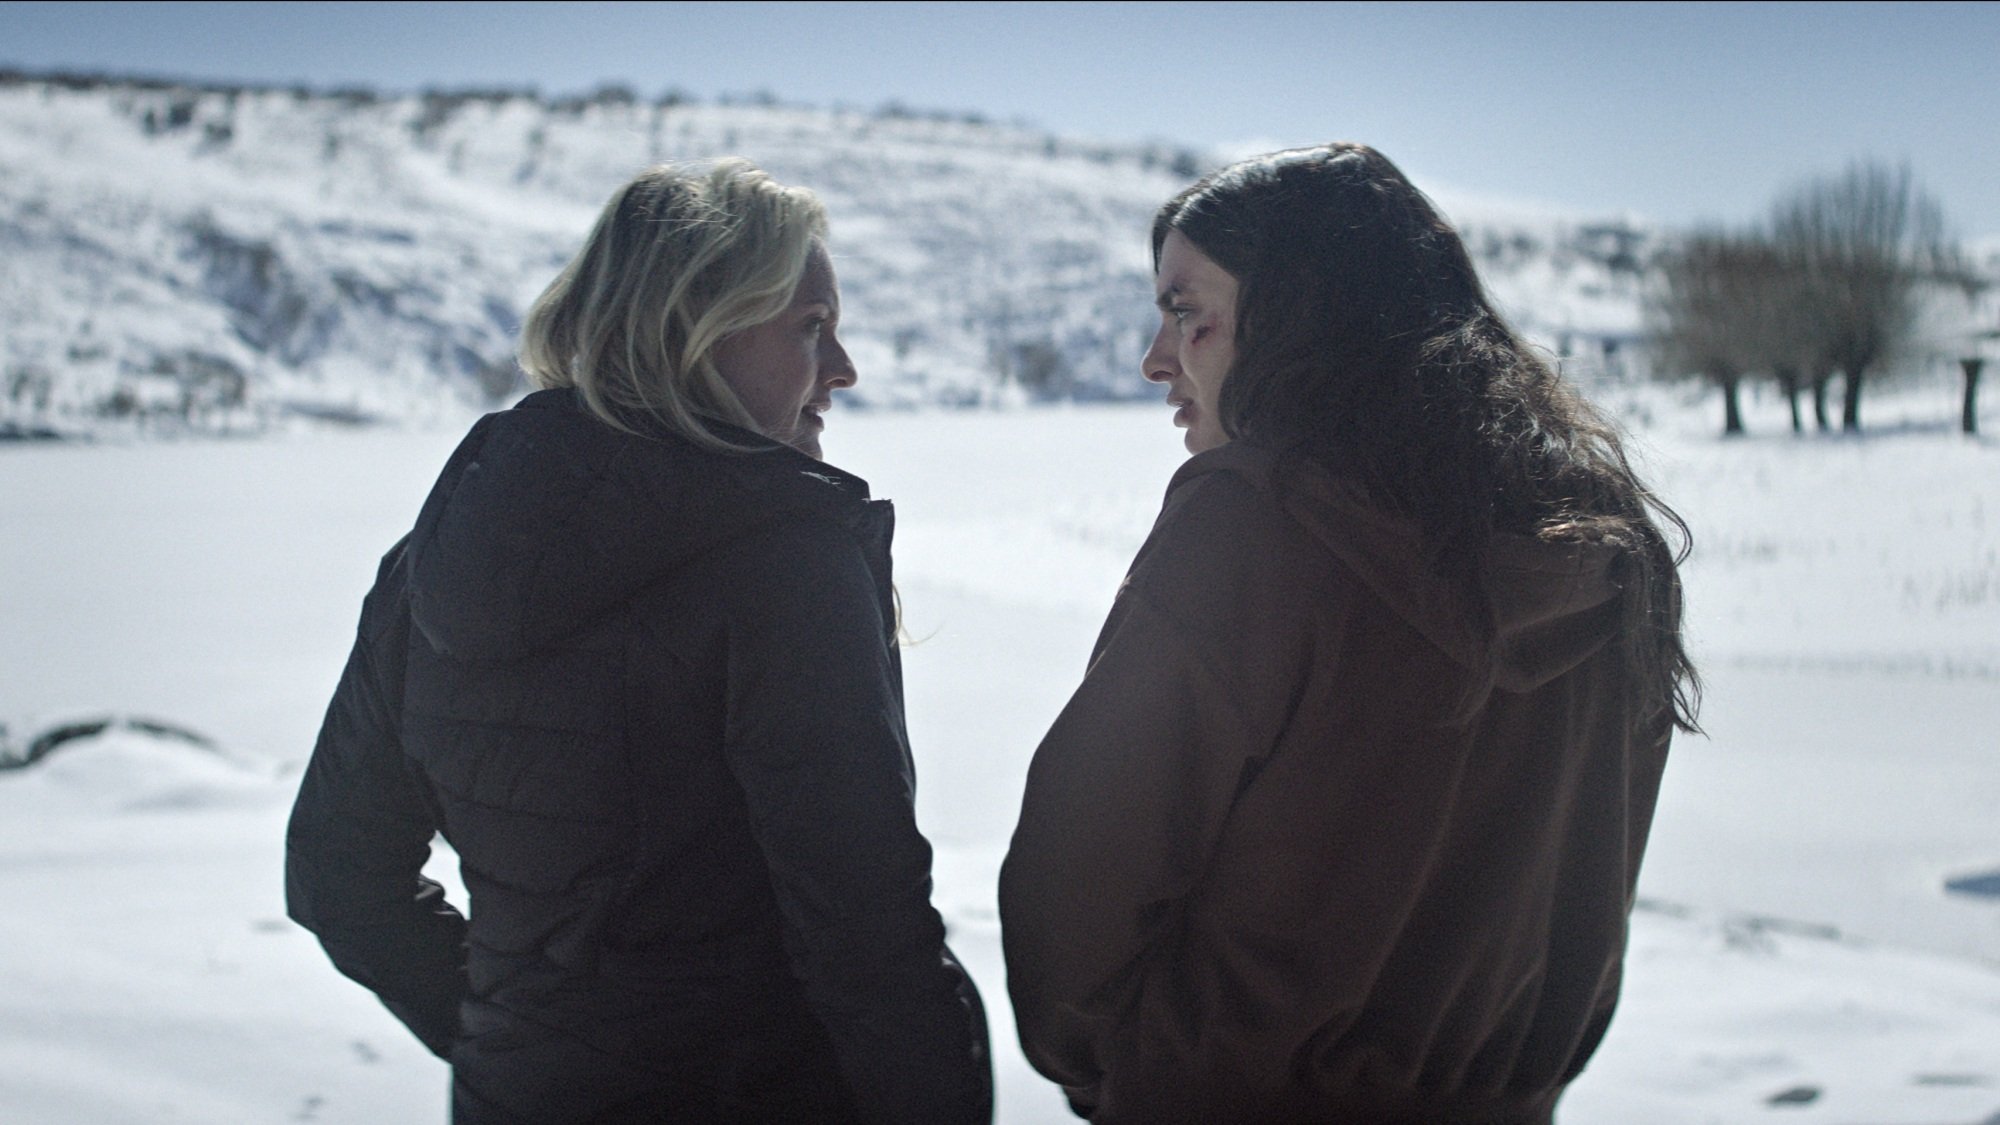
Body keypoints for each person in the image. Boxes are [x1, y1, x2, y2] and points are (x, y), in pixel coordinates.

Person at [999, 143, 1699, 1124]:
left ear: (1301, 313)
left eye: (1184, 311)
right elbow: (1590, 882)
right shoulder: (1611, 549)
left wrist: (1123, 1065)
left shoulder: (1248, 529)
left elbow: (1079, 881)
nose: (1155, 359)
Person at [286, 159, 992, 1124]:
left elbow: (337, 877)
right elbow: (869, 942)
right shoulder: (781, 565)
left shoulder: (439, 556)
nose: (843, 368)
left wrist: (533, 1047)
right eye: (811, 327)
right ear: (695, 329)